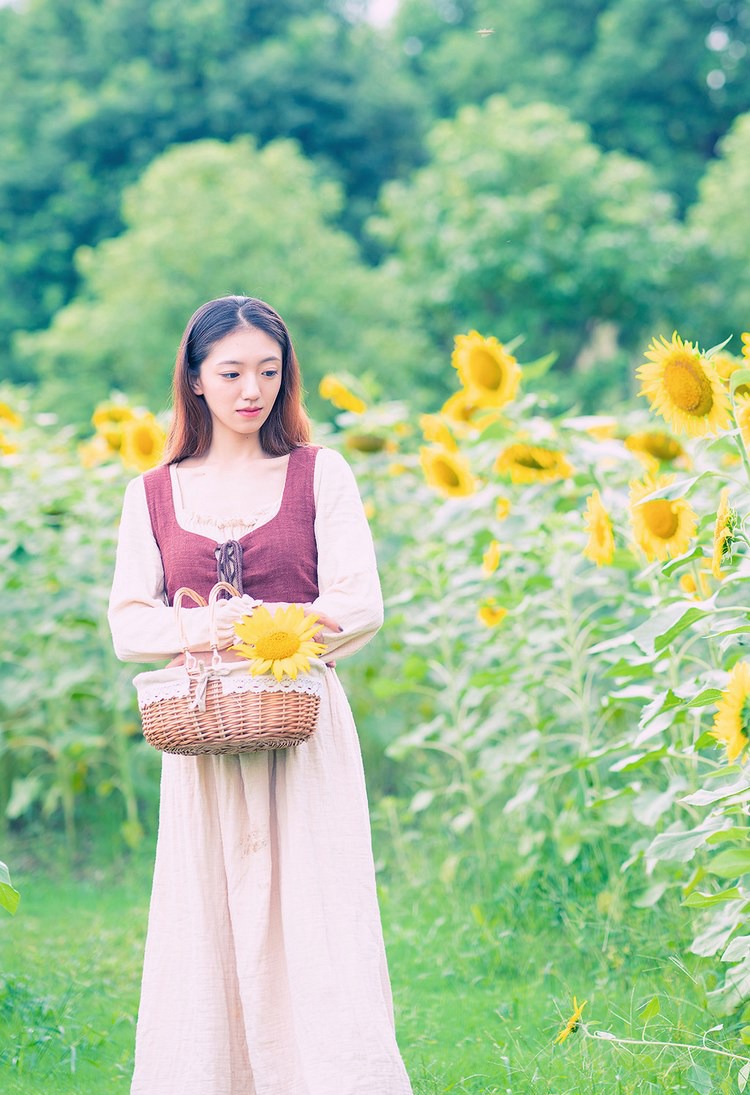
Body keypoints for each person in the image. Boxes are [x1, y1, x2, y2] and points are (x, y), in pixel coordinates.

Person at [108, 295, 413, 1095]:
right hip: (204, 733)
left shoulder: (322, 472)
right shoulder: (153, 492)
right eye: (233, 371)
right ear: (196, 380)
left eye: (269, 372)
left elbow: (361, 602)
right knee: (208, 914)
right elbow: (130, 624)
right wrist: (213, 631)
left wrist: (270, 631)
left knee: (319, 911)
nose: (253, 390)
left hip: (303, 729)